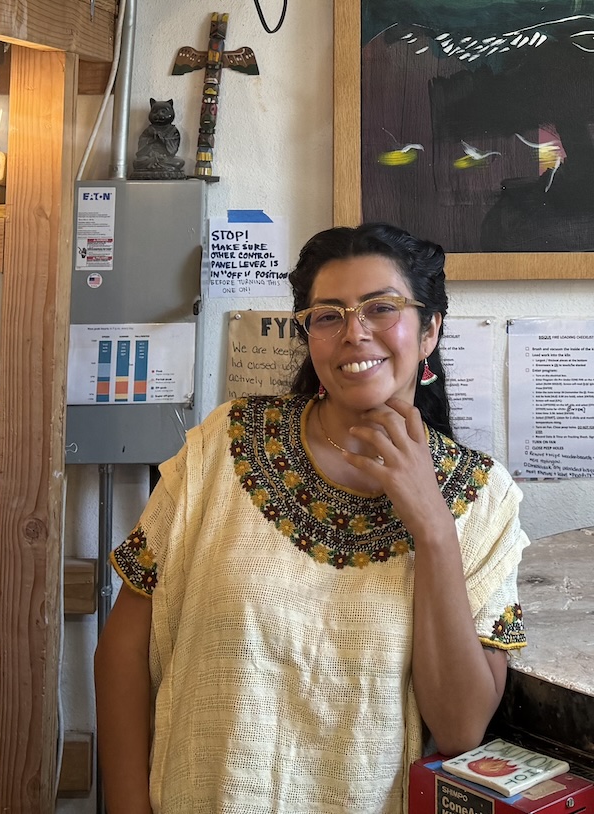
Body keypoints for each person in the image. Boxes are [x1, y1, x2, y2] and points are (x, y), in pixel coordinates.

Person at [94, 223, 529, 813]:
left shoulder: (482, 498)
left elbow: (459, 730)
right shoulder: (227, 445)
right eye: (328, 316)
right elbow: (123, 645)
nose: (354, 333)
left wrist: (432, 526)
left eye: (381, 308)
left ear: (430, 331)